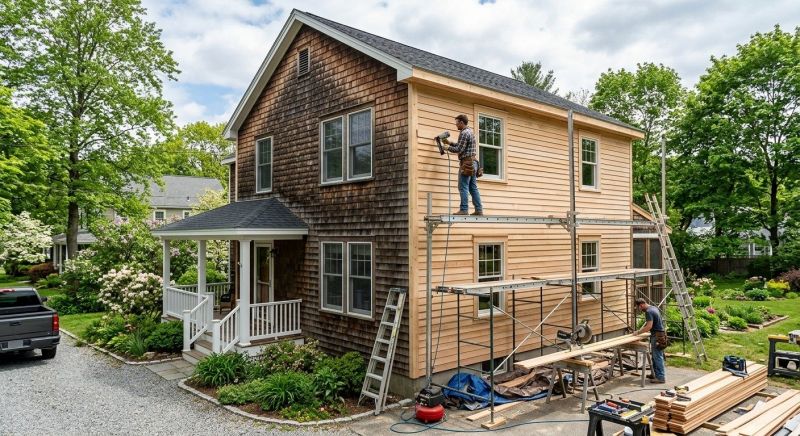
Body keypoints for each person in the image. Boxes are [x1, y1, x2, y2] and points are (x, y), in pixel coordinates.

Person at [442, 114, 483, 216]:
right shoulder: (469, 131)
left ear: (461, 122)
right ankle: (479, 210)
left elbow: (459, 149)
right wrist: (450, 143)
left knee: (463, 187)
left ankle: (464, 210)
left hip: (467, 163)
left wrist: (447, 148)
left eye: (456, 123)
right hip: (473, 162)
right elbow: (461, 145)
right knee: (473, 187)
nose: (456, 125)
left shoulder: (464, 133)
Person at [634, 298, 666, 383]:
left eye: (639, 308)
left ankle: (660, 378)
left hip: (657, 336)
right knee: (655, 356)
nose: (640, 310)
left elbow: (649, 326)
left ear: (641, 305)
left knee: (657, 357)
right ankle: (655, 374)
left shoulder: (648, 311)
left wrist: (638, 332)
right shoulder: (653, 308)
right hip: (659, 334)